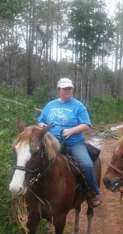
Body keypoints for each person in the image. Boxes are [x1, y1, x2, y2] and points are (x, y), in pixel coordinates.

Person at [37, 77, 101, 208]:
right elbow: (41, 120)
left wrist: (71, 130)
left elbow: (86, 124)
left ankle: (93, 192)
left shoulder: (78, 106)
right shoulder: (50, 105)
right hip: (51, 141)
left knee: (87, 164)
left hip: (74, 143)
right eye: (65, 88)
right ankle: (33, 191)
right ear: (59, 89)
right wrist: (42, 125)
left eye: (69, 88)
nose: (67, 91)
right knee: (35, 159)